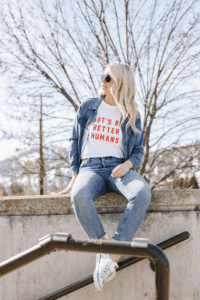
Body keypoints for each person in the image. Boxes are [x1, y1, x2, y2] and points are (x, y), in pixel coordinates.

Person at [59, 62, 151, 291]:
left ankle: (114, 255)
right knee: (79, 196)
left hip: (119, 169)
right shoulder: (88, 107)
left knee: (141, 193)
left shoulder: (131, 113)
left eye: (107, 77)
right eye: (103, 76)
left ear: (120, 82)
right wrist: (75, 174)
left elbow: (138, 149)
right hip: (90, 168)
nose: (102, 80)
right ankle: (103, 249)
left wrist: (128, 164)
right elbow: (74, 141)